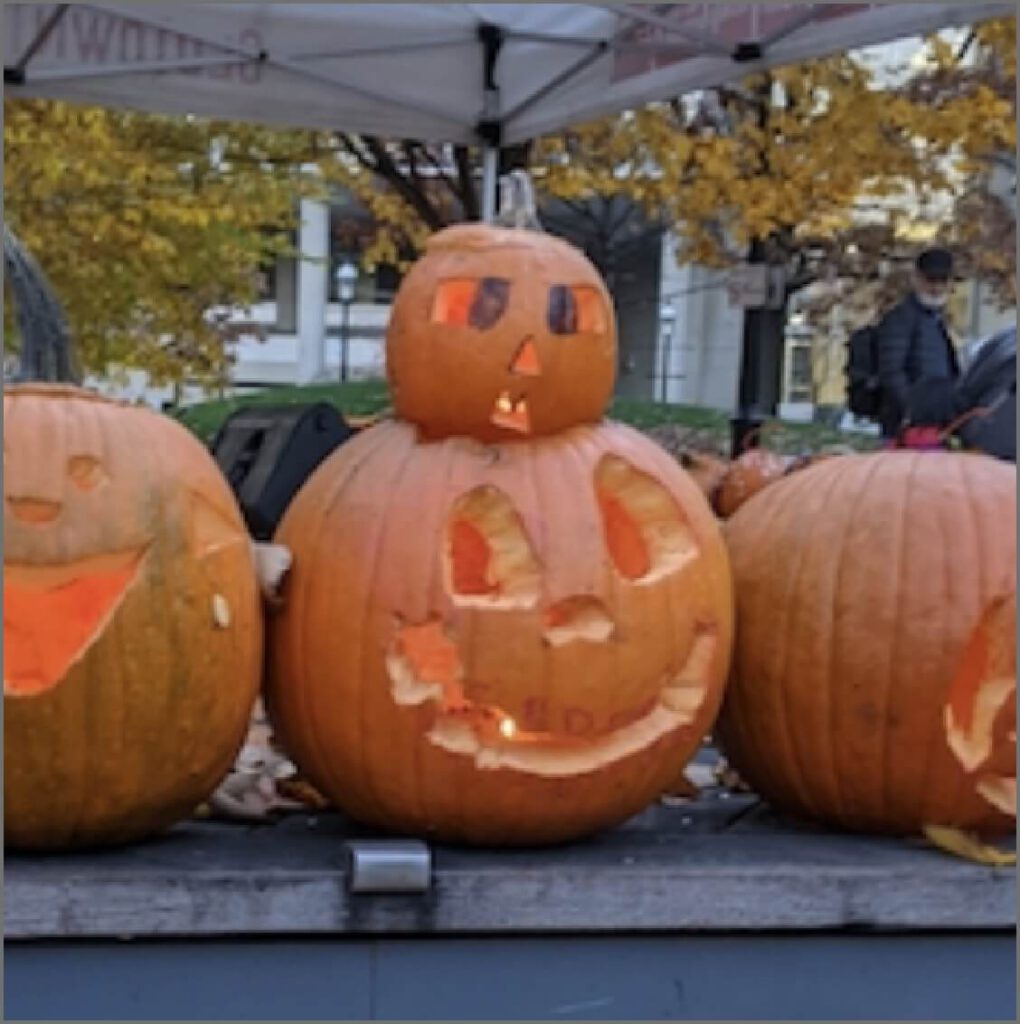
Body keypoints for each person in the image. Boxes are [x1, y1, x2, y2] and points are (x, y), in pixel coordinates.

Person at [875, 247, 961, 442]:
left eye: (943, 281)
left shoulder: (938, 321)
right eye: (931, 280)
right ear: (916, 278)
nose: (937, 287)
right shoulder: (900, 319)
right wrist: (913, 411)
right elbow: (891, 372)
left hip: (935, 424)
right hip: (906, 426)